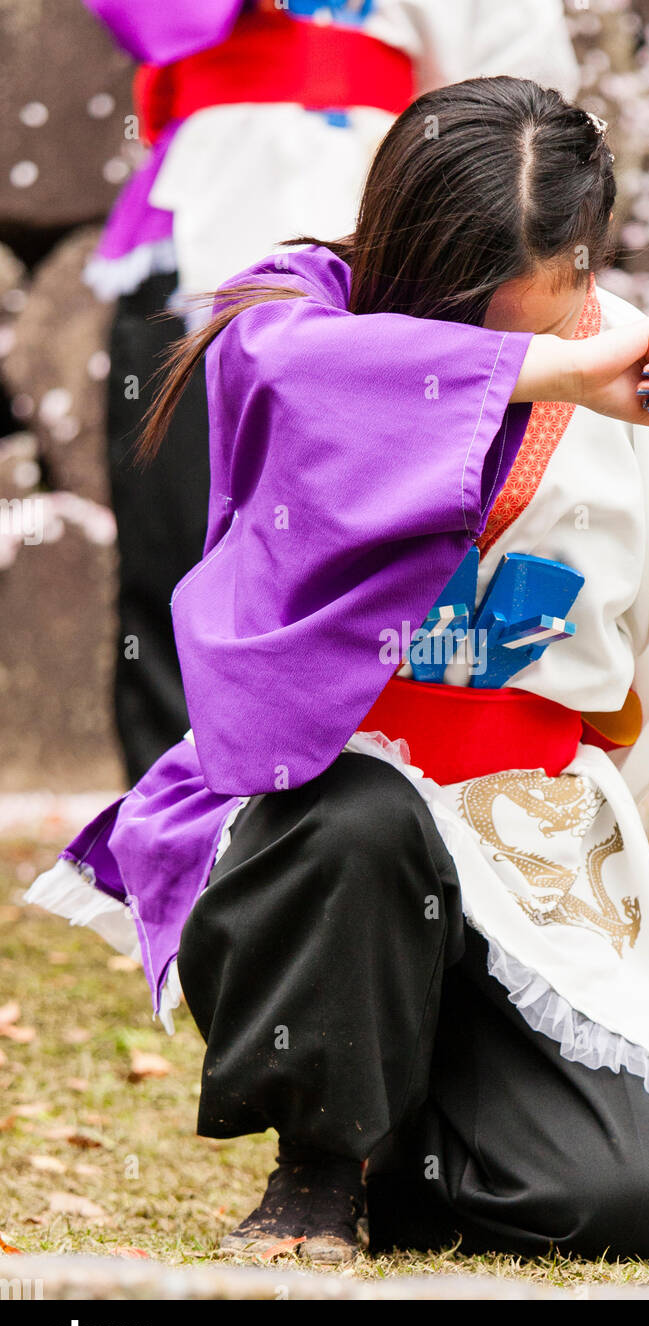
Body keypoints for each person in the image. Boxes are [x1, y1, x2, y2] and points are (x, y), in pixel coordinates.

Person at [28, 77, 649, 1264]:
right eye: (471, 310)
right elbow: (294, 375)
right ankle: (318, 1154)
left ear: (587, 255)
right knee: (361, 826)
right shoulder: (290, 321)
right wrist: (550, 373)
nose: (519, 335)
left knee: (610, 1206)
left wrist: (579, 803)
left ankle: (408, 1119)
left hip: (525, 824)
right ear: (408, 250)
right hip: (321, 812)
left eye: (551, 296)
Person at [83, 0, 579, 782]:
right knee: (173, 555)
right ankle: (177, 847)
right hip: (193, 226)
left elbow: (522, 101)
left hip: (375, 241)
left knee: (360, 565)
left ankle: (346, 828)